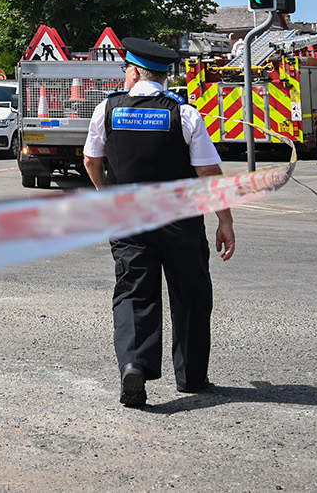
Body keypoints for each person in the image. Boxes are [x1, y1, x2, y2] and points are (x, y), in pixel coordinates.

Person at [82, 37, 236, 409]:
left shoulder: (106, 109)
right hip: (180, 221)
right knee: (190, 294)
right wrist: (225, 221)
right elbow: (208, 173)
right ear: (162, 76)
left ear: (134, 72)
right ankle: (191, 376)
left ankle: (135, 363)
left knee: (134, 293)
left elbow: (91, 161)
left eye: (125, 70)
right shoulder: (184, 114)